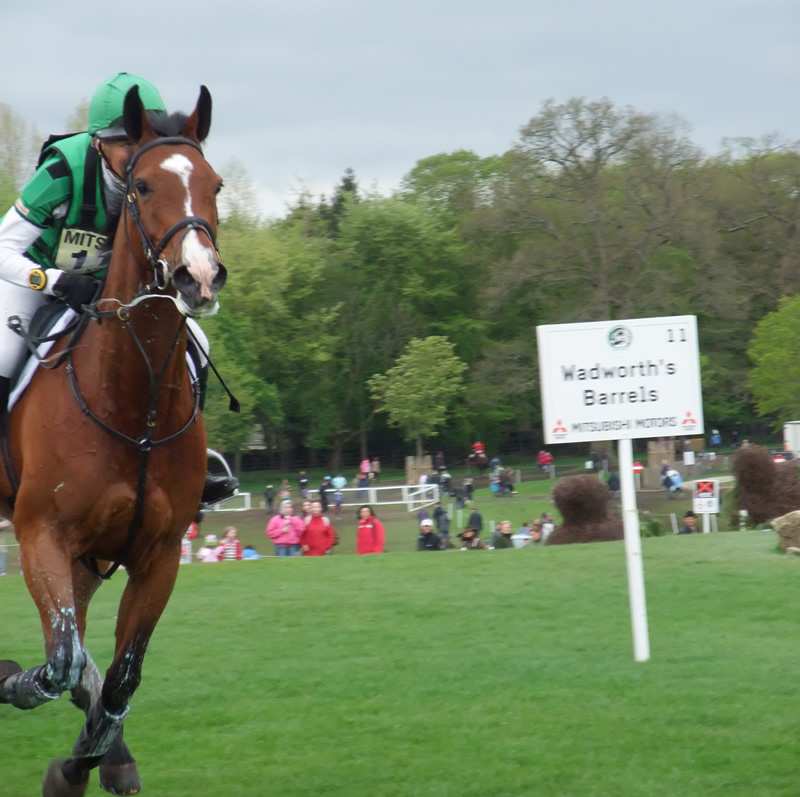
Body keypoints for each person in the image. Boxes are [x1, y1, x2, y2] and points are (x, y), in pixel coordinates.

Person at [0, 72, 238, 507]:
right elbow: (2, 248)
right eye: (124, 144)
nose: (134, 155)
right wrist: (53, 281)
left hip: (108, 288)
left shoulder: (157, 176)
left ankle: (190, 461)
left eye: (140, 142)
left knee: (196, 345)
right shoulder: (62, 171)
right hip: (36, 277)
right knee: (1, 351)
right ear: (98, 144)